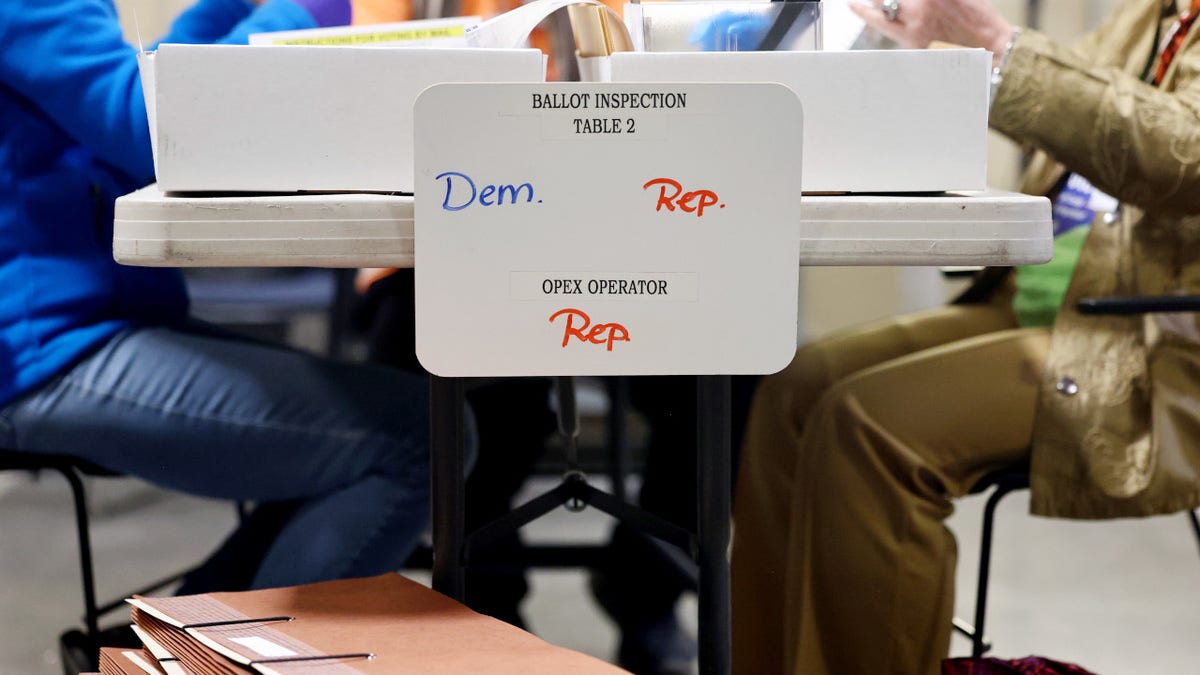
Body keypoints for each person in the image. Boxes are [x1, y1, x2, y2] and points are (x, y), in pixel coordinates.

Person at [730, 0, 1200, 673]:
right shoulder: (1159, 12)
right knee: (799, 382)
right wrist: (936, 47)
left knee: (872, 425)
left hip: (1154, 339)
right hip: (1054, 300)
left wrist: (997, 46)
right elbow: (1081, 99)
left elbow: (1180, 153)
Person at [0, 0, 467, 599]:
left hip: (85, 326)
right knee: (417, 441)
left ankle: (179, 648)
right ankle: (227, 655)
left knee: (396, 433)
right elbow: (160, 127)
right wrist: (309, 12)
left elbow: (155, 75)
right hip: (45, 352)